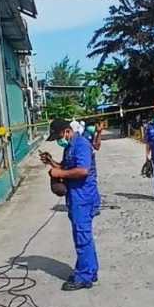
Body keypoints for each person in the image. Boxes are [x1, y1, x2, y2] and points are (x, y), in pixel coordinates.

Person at [43, 118, 99, 291]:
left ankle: (84, 277)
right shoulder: (70, 146)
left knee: (82, 237)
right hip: (76, 198)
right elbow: (66, 166)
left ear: (66, 131)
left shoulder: (81, 144)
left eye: (59, 136)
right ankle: (89, 269)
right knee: (83, 237)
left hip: (83, 197)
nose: (59, 141)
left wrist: (59, 172)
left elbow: (82, 170)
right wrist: (51, 162)